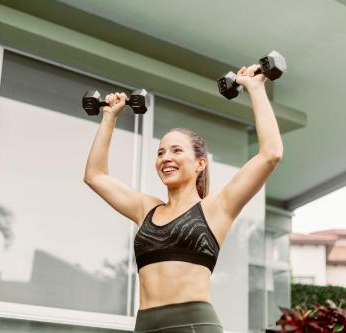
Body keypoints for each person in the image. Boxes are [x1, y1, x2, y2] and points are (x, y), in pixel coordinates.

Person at [83, 64, 284, 332]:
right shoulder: (147, 209)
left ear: (200, 163)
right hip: (144, 325)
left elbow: (270, 153)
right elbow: (95, 176)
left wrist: (256, 88)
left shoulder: (216, 208)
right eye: (161, 152)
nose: (166, 158)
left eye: (176, 151)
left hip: (193, 325)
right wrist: (109, 117)